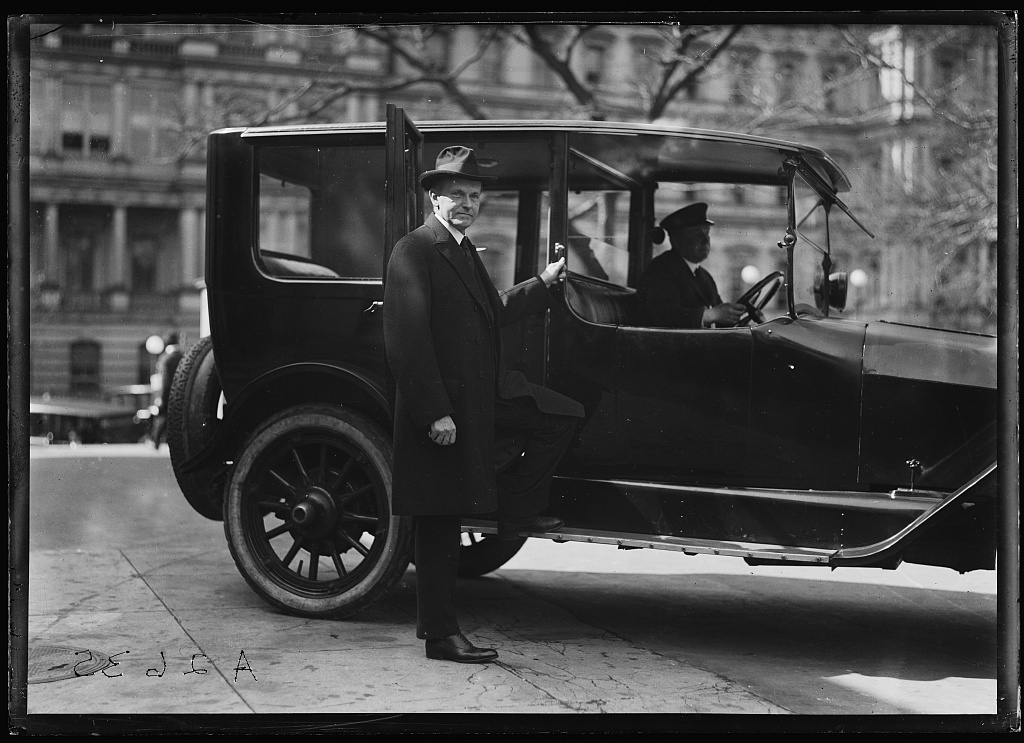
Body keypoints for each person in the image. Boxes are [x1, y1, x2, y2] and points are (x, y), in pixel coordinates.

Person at [384, 146, 584, 664]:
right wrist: (434, 413)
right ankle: (440, 635)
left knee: (556, 417)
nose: (468, 203)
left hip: (475, 402)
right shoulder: (416, 249)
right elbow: (408, 341)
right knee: (438, 524)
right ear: (434, 196)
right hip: (445, 412)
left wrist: (540, 285)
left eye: (474, 195)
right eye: (457, 194)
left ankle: (515, 512)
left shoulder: (462, 249)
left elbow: (489, 314)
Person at [637, 203, 745, 329]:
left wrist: (736, 315)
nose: (705, 240)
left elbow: (721, 318)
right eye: (697, 234)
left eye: (707, 233)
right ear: (676, 240)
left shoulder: (704, 276)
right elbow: (664, 317)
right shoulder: (660, 271)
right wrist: (711, 315)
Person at [150, 332, 182, 449]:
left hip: (167, 393)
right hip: (180, 393)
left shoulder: (166, 358)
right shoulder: (181, 356)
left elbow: (165, 381)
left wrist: (160, 397)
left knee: (162, 418)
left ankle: (155, 440)